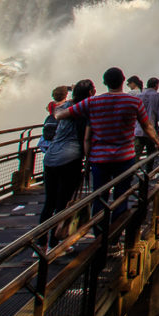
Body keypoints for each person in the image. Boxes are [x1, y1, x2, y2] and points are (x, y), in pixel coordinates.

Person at [55, 67, 159, 228]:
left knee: (99, 196)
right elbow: (147, 126)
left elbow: (62, 115)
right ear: (123, 81)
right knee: (122, 195)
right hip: (124, 157)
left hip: (99, 158)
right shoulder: (134, 102)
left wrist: (61, 106)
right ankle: (115, 232)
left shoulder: (93, 102)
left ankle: (100, 232)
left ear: (105, 83)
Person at [39, 79, 95, 248]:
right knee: (62, 203)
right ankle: (54, 244)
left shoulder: (64, 107)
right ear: (90, 93)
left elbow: (56, 112)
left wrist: (71, 90)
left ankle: (40, 243)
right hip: (70, 159)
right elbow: (86, 139)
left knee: (49, 201)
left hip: (50, 157)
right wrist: (88, 161)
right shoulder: (87, 111)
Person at [134, 77, 159, 157]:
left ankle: (134, 169)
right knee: (151, 154)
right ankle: (149, 169)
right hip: (152, 130)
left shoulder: (138, 96)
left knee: (136, 155)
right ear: (156, 85)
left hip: (138, 130)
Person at [38, 86, 70, 152]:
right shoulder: (67, 104)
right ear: (65, 95)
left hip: (50, 139)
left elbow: (47, 108)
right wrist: (71, 88)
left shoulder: (51, 105)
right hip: (62, 136)